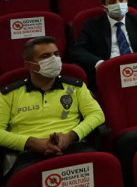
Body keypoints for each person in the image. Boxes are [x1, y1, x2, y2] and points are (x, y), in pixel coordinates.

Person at [0, 36, 105, 176]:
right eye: (45, 56)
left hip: (74, 147)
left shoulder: (75, 86)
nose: (54, 59)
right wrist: (30, 142)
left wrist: (71, 136)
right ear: (29, 65)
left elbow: (97, 115)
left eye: (56, 54)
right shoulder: (9, 94)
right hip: (28, 154)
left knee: (104, 169)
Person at [69, 0, 137, 88]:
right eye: (112, 2)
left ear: (126, 2)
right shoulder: (92, 25)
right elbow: (77, 50)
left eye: (121, 0)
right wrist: (99, 63)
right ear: (104, 7)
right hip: (109, 71)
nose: (118, 4)